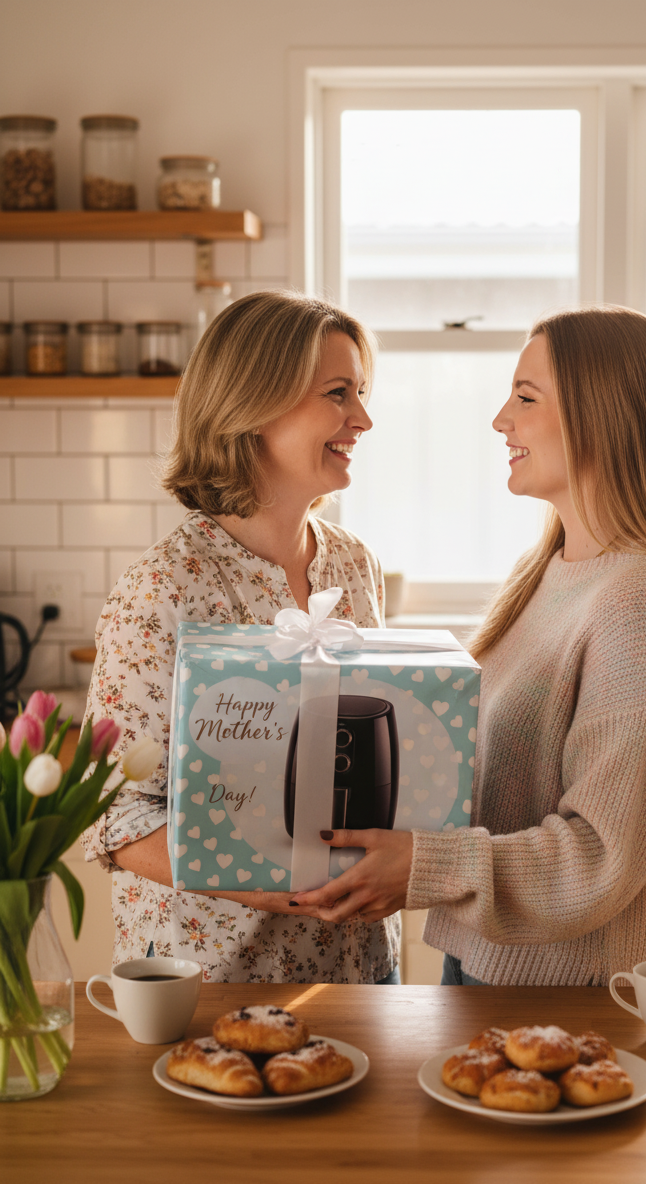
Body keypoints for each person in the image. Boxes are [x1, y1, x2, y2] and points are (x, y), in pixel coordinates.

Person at [287, 305, 646, 987]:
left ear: (601, 414)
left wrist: (423, 863)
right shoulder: (548, 573)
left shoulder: (642, 603)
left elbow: (598, 857)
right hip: (491, 967)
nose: (501, 419)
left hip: (570, 997)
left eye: (526, 397)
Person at [81, 290, 401, 984]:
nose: (363, 419)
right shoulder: (162, 589)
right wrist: (277, 883)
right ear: (256, 405)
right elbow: (109, 815)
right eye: (338, 394)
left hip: (358, 970)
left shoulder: (354, 565)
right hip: (211, 982)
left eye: (362, 393)